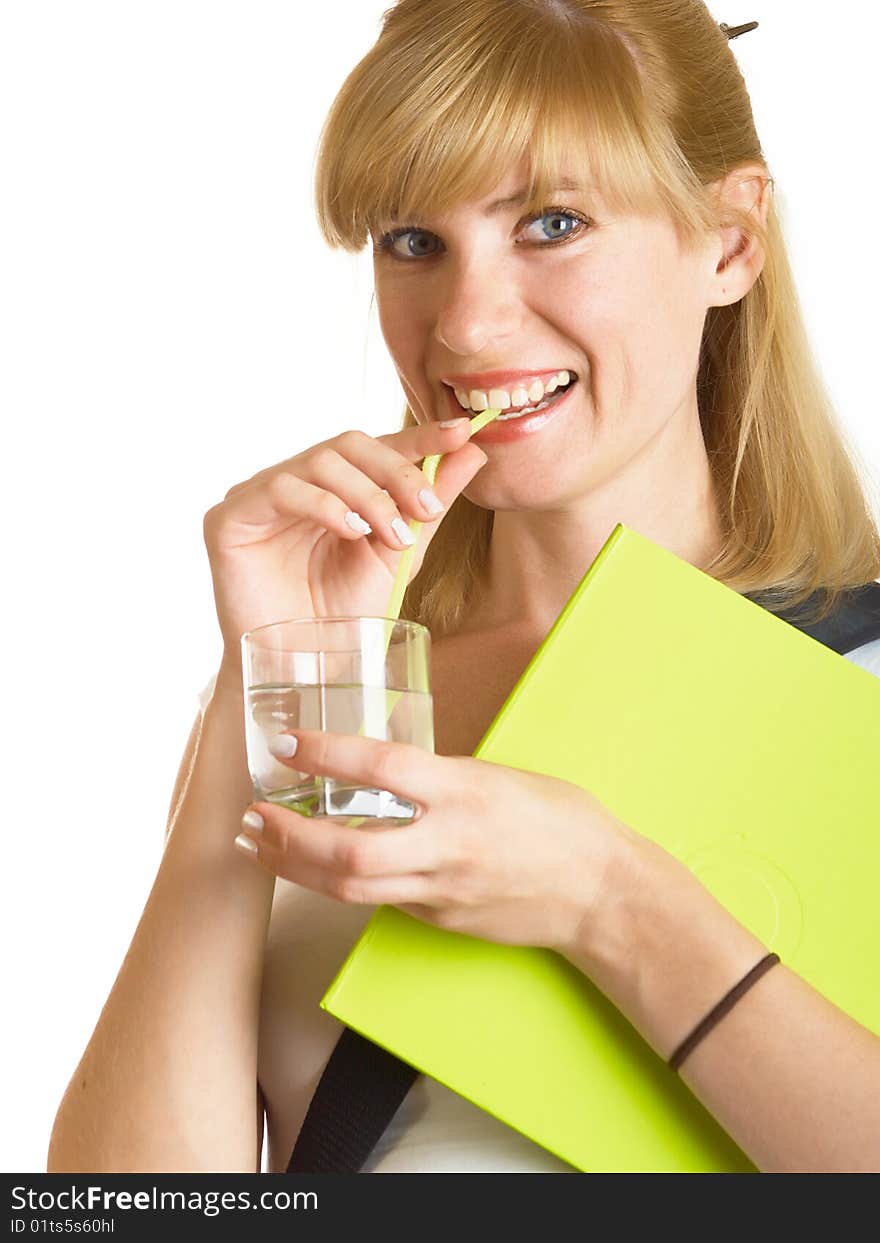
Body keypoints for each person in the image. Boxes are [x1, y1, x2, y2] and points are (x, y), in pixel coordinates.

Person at [47, 0, 880, 1174]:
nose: (466, 323)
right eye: (410, 241)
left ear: (731, 241)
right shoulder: (332, 696)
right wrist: (263, 678)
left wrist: (607, 897)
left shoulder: (859, 680)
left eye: (552, 222)